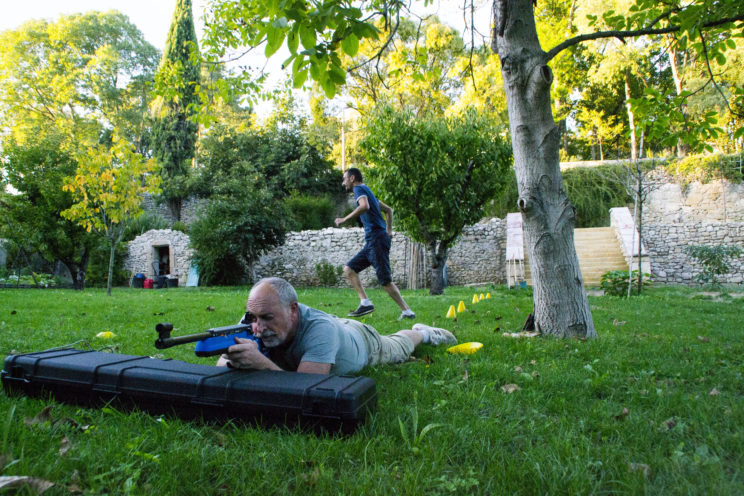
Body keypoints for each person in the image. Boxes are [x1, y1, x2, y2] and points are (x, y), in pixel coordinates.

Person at [217, 277, 456, 375]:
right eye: (254, 317)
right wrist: (233, 355)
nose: (257, 327)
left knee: (399, 345)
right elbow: (221, 367)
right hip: (336, 328)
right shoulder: (255, 317)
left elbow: (304, 389)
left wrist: (259, 363)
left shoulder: (321, 331)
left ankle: (422, 332)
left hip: (364, 341)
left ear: (293, 310)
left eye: (268, 318)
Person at [334, 167, 415, 319]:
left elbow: (364, 206)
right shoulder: (368, 192)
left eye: (345, 179)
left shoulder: (359, 189)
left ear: (352, 178)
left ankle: (407, 311)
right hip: (373, 240)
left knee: (385, 281)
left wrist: (344, 219)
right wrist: (389, 231)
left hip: (376, 240)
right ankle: (365, 303)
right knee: (349, 269)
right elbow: (389, 210)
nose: (343, 183)